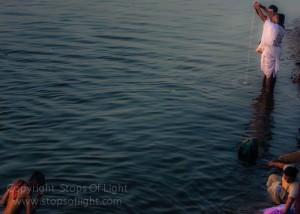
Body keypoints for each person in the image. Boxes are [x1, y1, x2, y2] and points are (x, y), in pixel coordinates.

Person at [254, 2, 286, 94]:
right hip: (276, 50)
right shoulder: (280, 27)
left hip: (271, 50)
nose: (272, 17)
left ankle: (267, 92)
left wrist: (261, 7)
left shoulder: (275, 26)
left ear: (277, 18)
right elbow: (263, 16)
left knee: (268, 73)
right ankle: (268, 90)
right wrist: (258, 8)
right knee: (271, 72)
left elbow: (266, 16)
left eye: (274, 16)